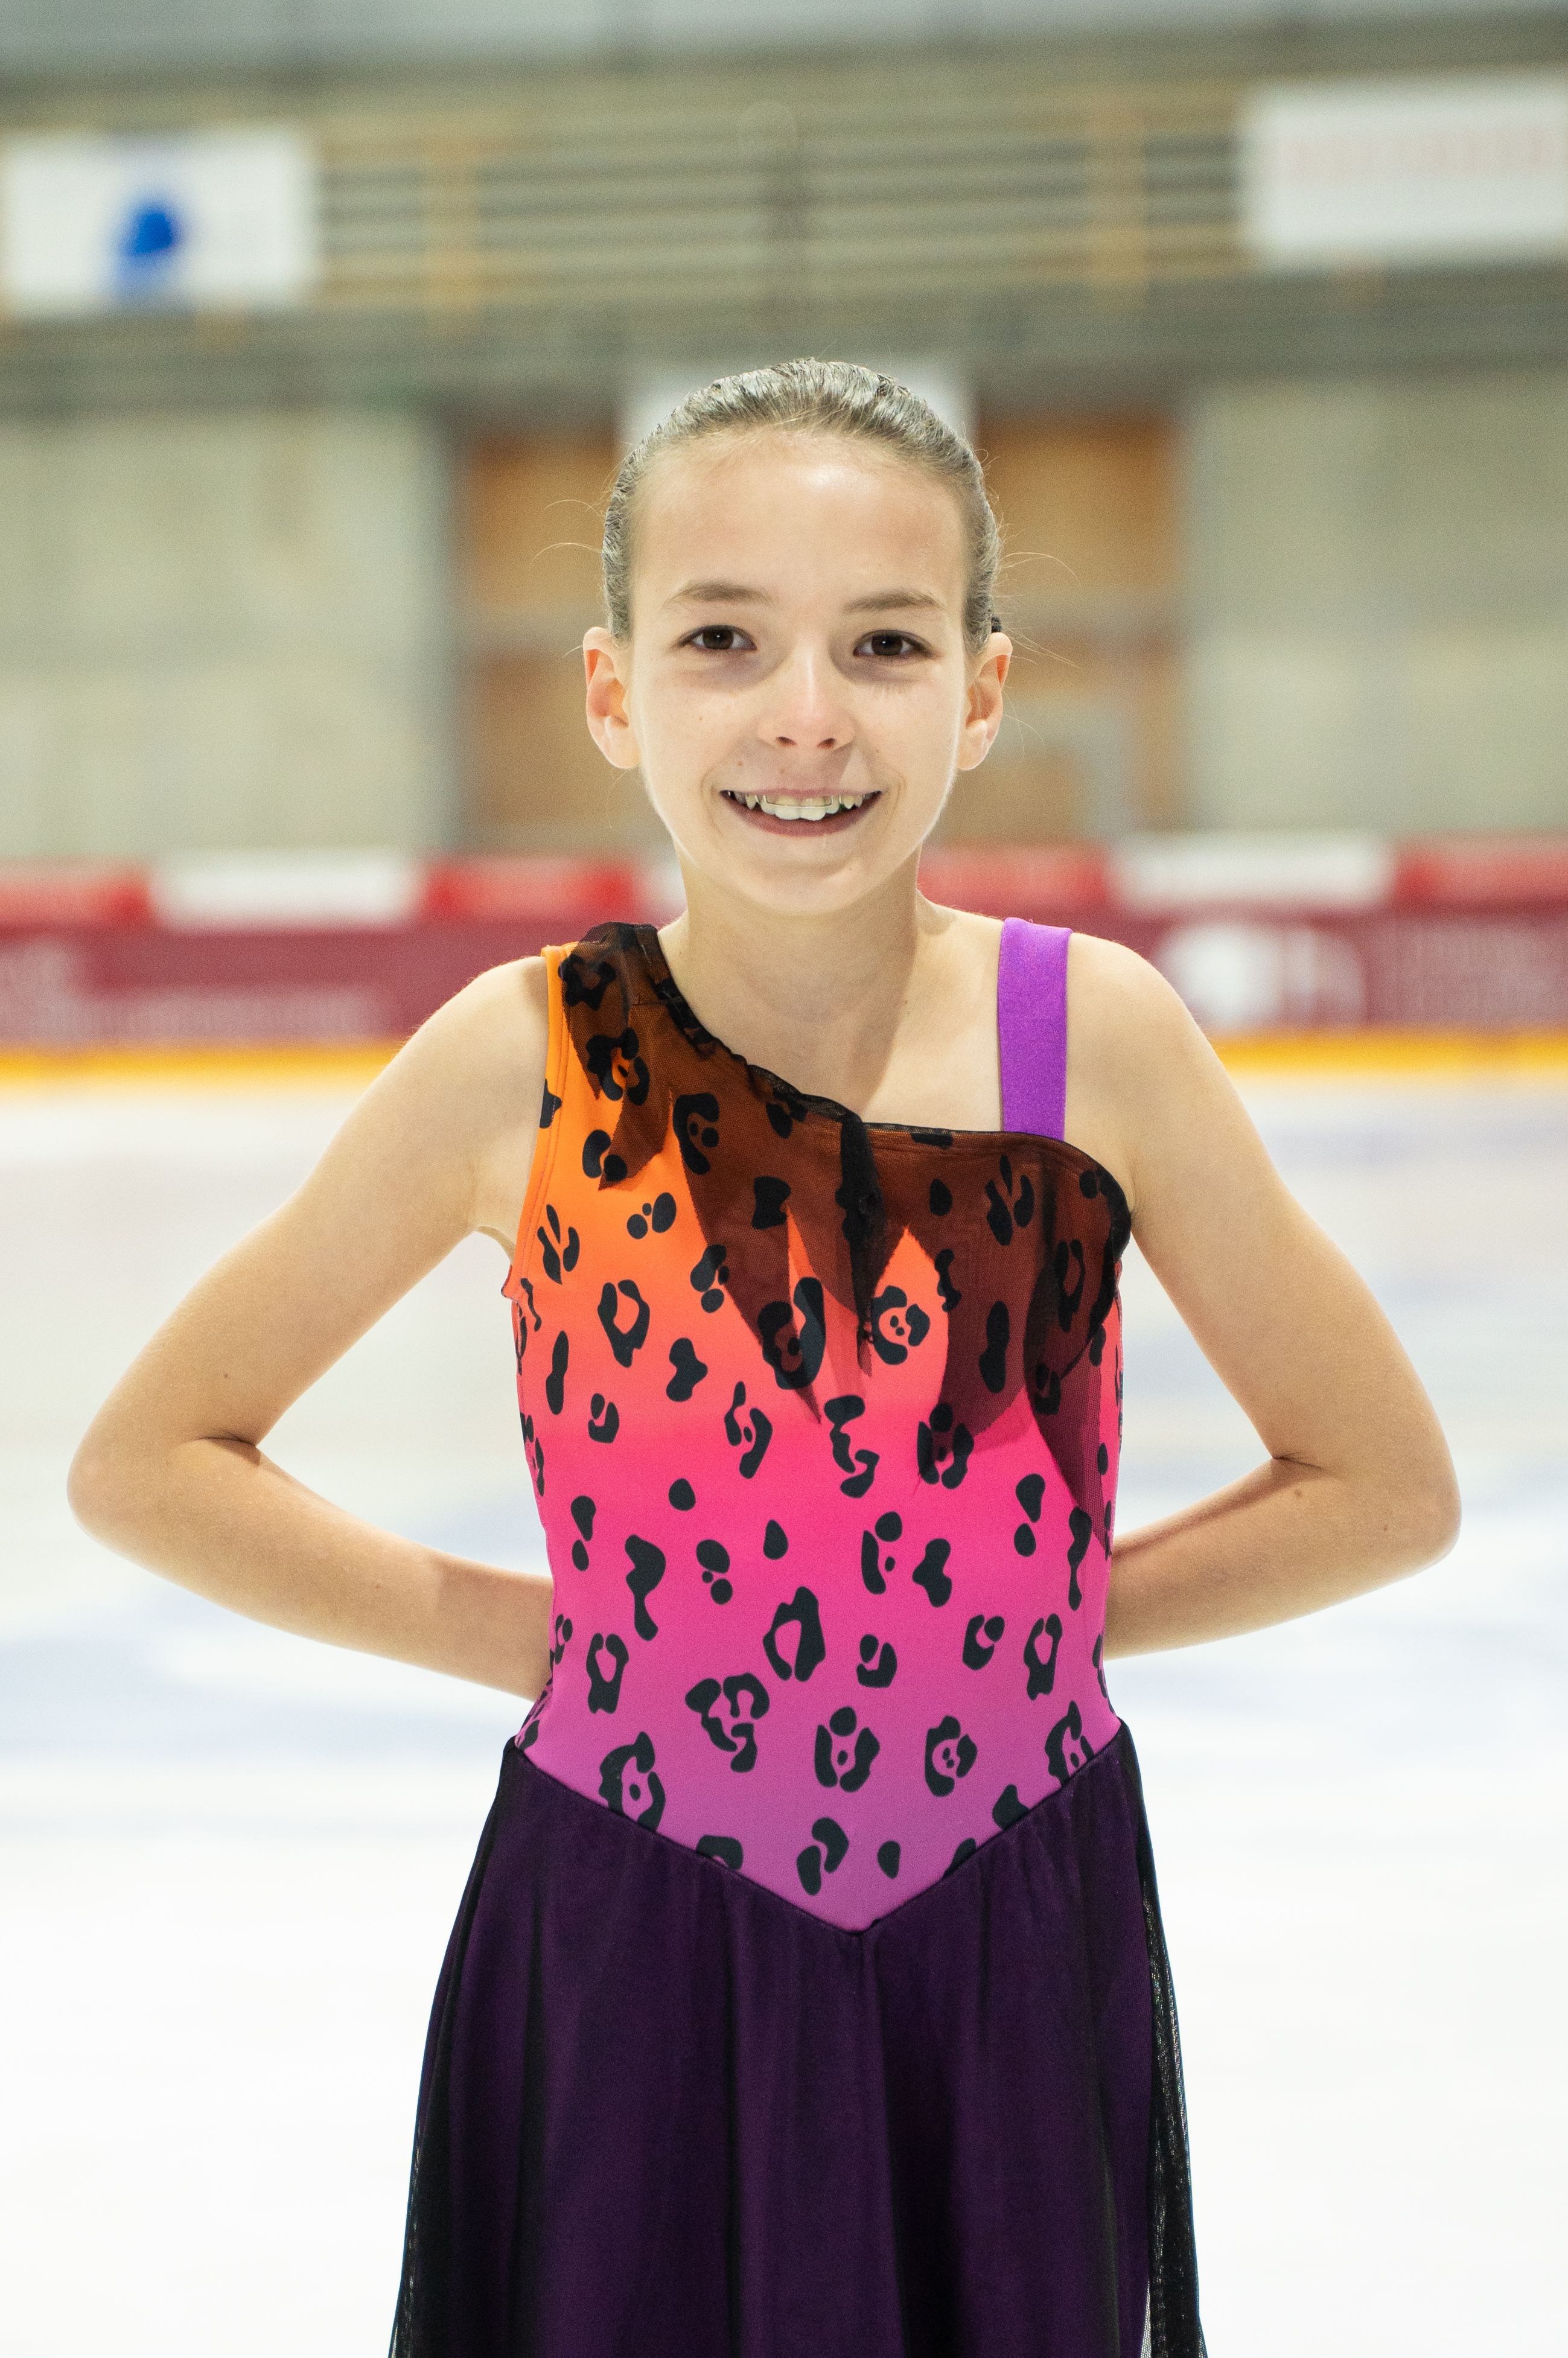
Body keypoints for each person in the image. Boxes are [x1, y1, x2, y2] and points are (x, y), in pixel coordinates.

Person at [68, 359, 1460, 2358]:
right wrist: (550, 1639)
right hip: (633, 1924)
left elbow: (1384, 1485)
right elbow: (149, 1458)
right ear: (612, 688)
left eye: (884, 644)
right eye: (723, 640)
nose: (806, 714)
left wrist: (1035, 1632)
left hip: (1001, 1934)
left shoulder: (1097, 1046)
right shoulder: (524, 1058)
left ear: (981, 692)